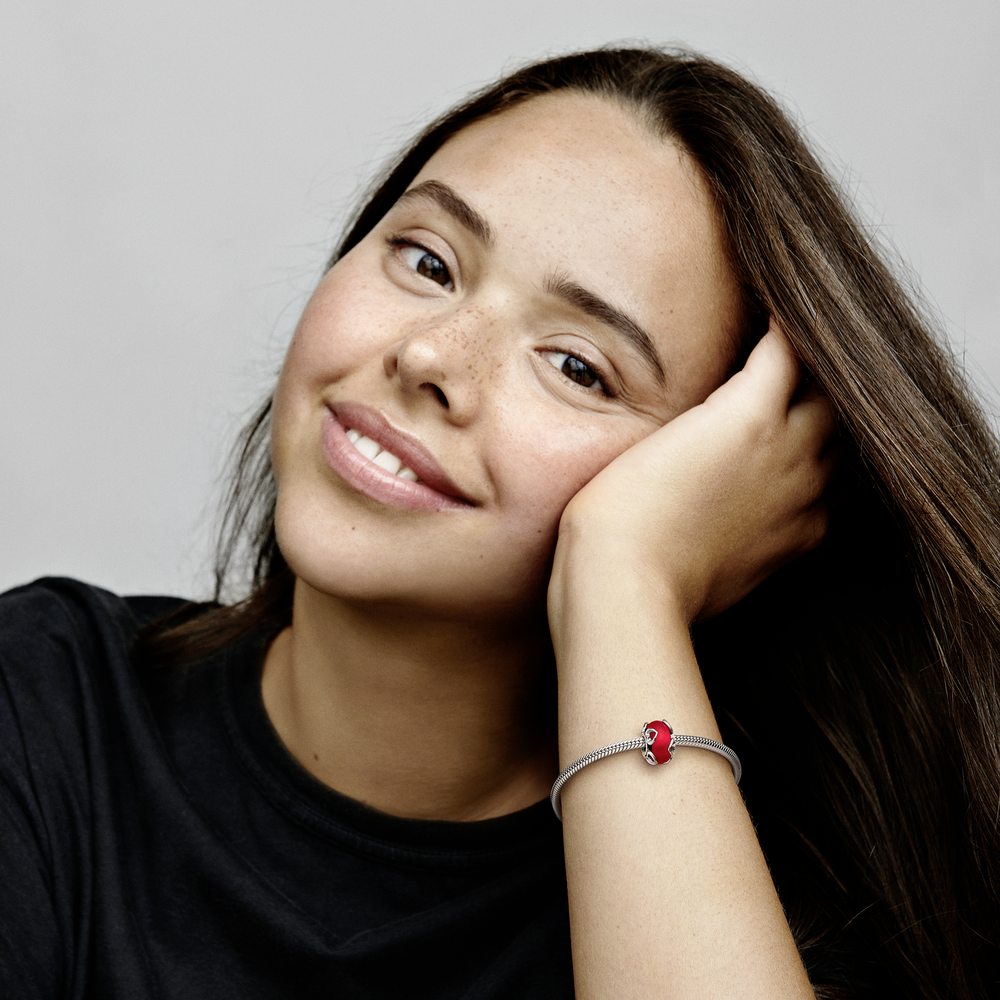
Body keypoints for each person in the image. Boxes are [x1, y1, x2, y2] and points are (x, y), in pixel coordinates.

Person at [1, 46, 997, 999]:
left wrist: (624, 578)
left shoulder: (771, 922)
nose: (430, 356)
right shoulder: (42, 703)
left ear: (724, 483)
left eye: (576, 366)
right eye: (427, 261)